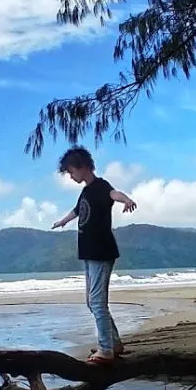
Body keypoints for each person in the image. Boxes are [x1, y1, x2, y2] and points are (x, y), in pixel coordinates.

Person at [52, 147, 137, 364]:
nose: (70, 176)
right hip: (90, 253)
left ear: (82, 166)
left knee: (98, 302)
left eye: (71, 171)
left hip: (101, 251)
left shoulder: (100, 186)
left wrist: (126, 199)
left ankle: (106, 349)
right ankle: (114, 343)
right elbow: (77, 210)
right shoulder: (86, 191)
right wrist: (63, 221)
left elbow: (114, 194)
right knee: (92, 302)